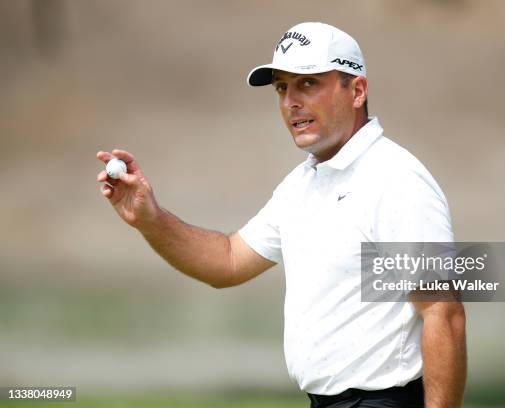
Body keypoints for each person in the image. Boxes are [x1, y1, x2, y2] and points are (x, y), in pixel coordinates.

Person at [96, 22, 466, 408]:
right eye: (281, 88)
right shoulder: (302, 184)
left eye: (307, 84)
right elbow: (228, 260)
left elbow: (444, 313)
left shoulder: (396, 180)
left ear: (356, 91)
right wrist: (150, 218)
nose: (291, 101)